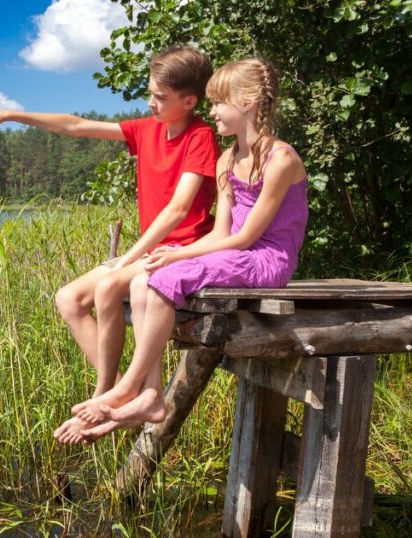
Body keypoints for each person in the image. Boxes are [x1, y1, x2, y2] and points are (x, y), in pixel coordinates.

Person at [0, 46, 220, 443]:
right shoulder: (147, 129)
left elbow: (178, 209)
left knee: (109, 285)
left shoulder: (200, 136)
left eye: (160, 97)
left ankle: (112, 396)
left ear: (189, 101)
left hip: (181, 249)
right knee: (68, 299)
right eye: (149, 93)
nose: (151, 103)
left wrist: (128, 258)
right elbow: (76, 125)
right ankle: (120, 392)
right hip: (149, 251)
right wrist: (10, 114)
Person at [72, 57, 309, 443]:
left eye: (218, 103)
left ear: (247, 102)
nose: (211, 111)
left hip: (268, 260)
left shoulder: (280, 159)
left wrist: (180, 255)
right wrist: (168, 254)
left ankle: (127, 388)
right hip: (235, 252)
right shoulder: (229, 159)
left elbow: (247, 238)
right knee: (145, 279)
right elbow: (220, 233)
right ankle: (149, 396)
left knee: (170, 274)